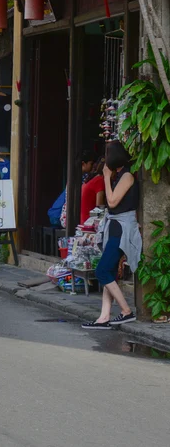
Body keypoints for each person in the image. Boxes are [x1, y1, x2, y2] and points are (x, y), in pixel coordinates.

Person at [82, 141, 142, 330]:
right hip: (115, 226)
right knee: (108, 271)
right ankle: (104, 316)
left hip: (121, 227)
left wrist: (106, 178)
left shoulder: (126, 176)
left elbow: (113, 201)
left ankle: (126, 311)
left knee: (101, 271)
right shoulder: (120, 175)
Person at [80, 156, 106, 224]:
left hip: (83, 220)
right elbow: (99, 207)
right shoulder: (100, 180)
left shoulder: (91, 178)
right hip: (89, 222)